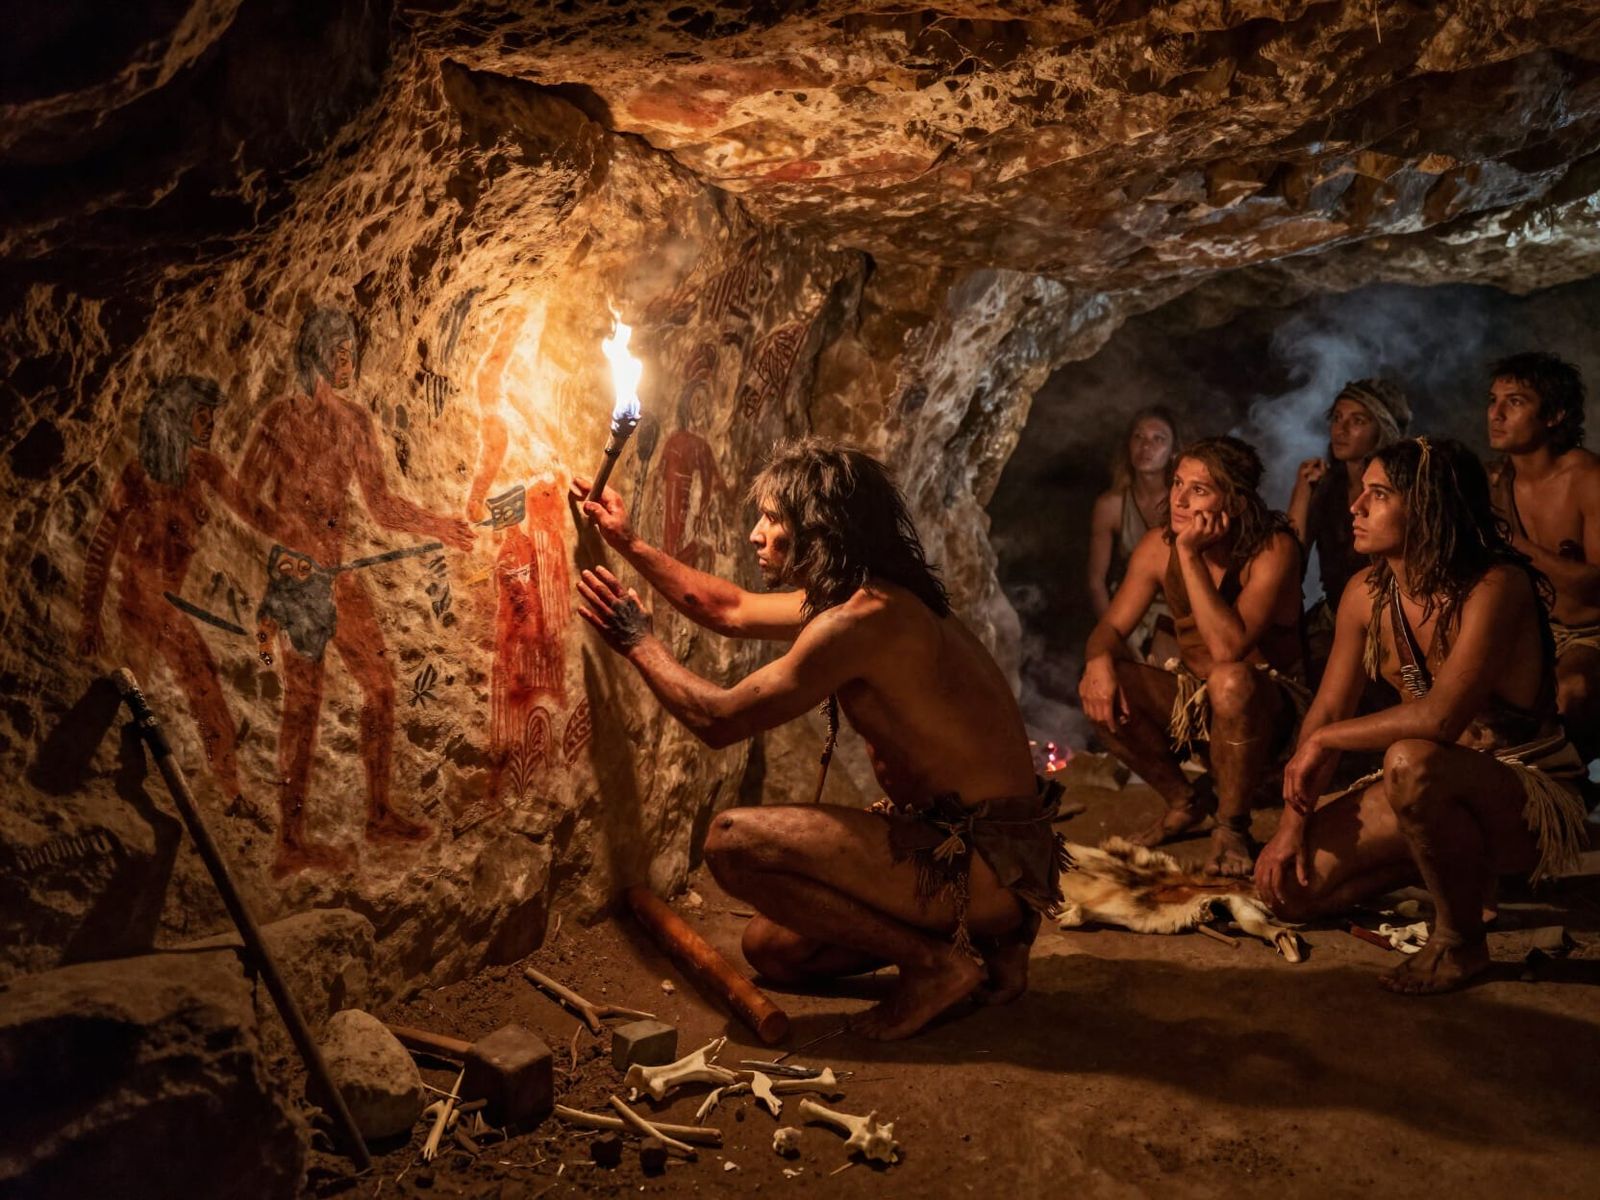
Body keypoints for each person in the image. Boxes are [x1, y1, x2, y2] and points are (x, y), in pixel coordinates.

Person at [572, 438, 1067, 1041]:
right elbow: (729, 608)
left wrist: (639, 643)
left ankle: (937, 964)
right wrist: (628, 541)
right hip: (994, 861)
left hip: (982, 863)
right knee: (774, 950)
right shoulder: (872, 598)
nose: (755, 535)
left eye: (772, 520)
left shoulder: (863, 621)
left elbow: (718, 721)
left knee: (732, 841)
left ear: (820, 531)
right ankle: (991, 943)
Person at [1255, 438, 1590, 994]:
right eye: (1362, 493)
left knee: (1409, 760)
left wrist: (1327, 739)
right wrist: (1290, 827)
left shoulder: (1495, 586)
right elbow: (1328, 708)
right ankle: (1448, 864)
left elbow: (1440, 721)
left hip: (1525, 794)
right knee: (1288, 892)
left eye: (1379, 495)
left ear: (1428, 507)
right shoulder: (1365, 593)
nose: (1356, 506)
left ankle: (1460, 942)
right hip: (1427, 787)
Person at [239, 307, 474, 875]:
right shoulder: (278, 419)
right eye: (339, 352)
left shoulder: (355, 422)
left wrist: (438, 526)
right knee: (303, 704)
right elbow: (247, 495)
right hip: (297, 583)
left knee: (382, 686)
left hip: (339, 575)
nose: (348, 362)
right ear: (317, 354)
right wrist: (288, 540)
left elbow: (380, 503)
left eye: (351, 351)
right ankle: (291, 839)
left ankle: (378, 812)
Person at [1079, 436, 1307, 876]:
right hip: (1199, 702)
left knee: (1230, 679)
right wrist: (1098, 662)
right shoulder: (1156, 546)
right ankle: (1184, 803)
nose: (1178, 500)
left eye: (1198, 490)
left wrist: (1188, 553)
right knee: (1102, 684)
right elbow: (1109, 629)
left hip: (1272, 715)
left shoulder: (1273, 550)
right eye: (1177, 483)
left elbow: (1228, 650)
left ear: (1235, 503)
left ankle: (1232, 827)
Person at [1485, 352, 1600, 760]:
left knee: (1571, 691)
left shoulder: (1587, 478)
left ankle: (1569, 782)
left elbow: (1595, 584)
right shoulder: (1495, 482)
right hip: (1531, 630)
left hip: (1590, 633)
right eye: (1493, 400)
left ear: (1554, 415)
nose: (1496, 414)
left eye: (1514, 402)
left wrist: (1515, 542)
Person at [1287, 379, 1411, 674]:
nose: (1340, 430)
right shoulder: (1327, 486)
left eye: (1357, 421)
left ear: (1382, 429)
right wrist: (1303, 491)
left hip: (1392, 617)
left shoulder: (1404, 489)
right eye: (1337, 418)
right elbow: (1290, 561)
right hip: (1335, 617)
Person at [1086, 407, 1181, 663]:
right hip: (1131, 609)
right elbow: (1096, 582)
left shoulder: (1184, 504)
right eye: (1138, 437)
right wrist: (1115, 637)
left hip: (1178, 608)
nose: (1146, 446)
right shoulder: (1111, 506)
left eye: (1158, 439)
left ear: (1173, 452)